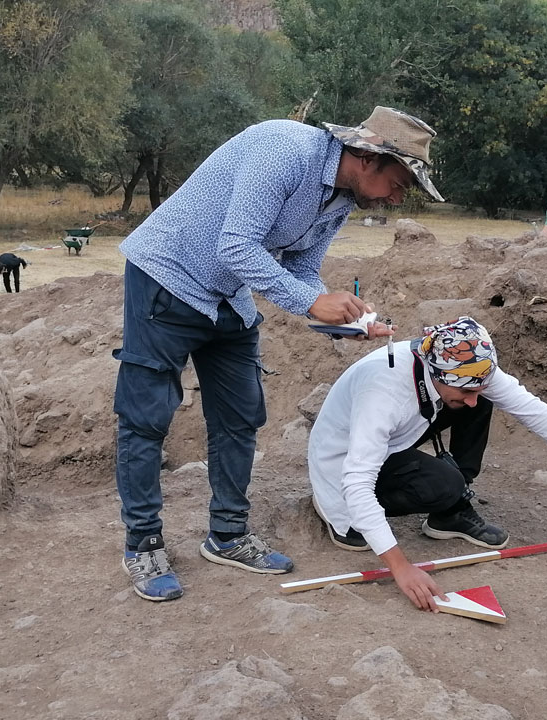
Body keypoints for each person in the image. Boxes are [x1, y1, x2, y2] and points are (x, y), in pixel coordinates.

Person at [113, 106, 445, 602]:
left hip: (228, 294)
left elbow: (302, 270)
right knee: (146, 417)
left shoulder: (341, 198)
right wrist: (311, 302)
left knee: (241, 415)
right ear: (367, 157)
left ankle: (227, 534)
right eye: (398, 183)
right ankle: (143, 545)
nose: (398, 197)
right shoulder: (284, 151)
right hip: (167, 276)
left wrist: (346, 321)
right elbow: (235, 246)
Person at [306, 316, 547, 611]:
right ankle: (342, 515)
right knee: (443, 484)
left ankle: (450, 512)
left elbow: (532, 410)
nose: (472, 398)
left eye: (475, 387)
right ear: (438, 375)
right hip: (342, 466)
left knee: (481, 403)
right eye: (465, 390)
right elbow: (357, 481)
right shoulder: (383, 393)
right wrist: (401, 567)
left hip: (394, 437)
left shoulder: (461, 364)